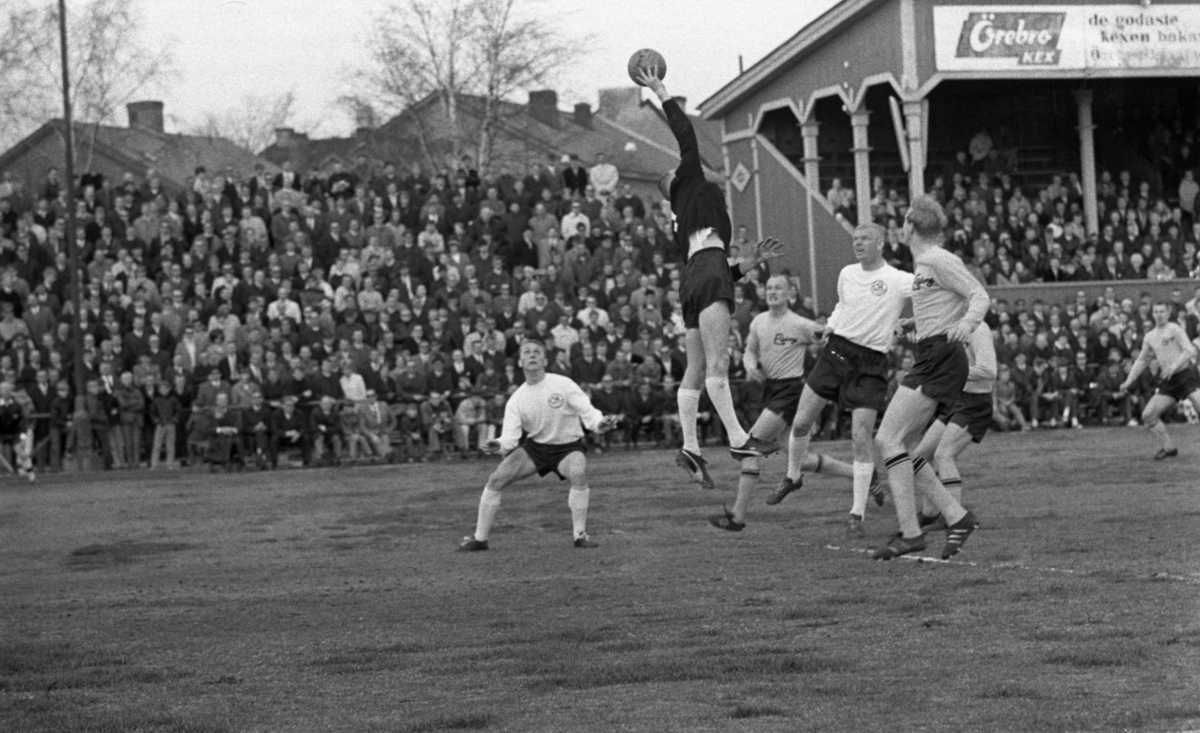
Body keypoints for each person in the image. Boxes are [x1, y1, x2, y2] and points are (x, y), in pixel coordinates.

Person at [633, 64, 783, 488]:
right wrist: (662, 91)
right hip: (709, 269)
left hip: (694, 276)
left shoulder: (681, 219)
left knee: (696, 368)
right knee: (718, 363)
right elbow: (686, 135)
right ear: (675, 181)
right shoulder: (689, 182)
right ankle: (738, 439)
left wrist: (750, 263)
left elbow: (713, 269)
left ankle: (690, 447)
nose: (682, 165)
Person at [708, 275, 884, 533]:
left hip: (791, 392)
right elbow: (750, 350)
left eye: (778, 288)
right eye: (769, 287)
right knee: (803, 461)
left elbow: (829, 336)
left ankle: (738, 516)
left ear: (790, 292)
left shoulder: (799, 323)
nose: (772, 292)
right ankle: (865, 476)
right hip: (772, 391)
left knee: (750, 447)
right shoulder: (758, 321)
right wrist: (750, 365)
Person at [767, 224, 910, 538]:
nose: (857, 243)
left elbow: (932, 293)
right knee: (800, 422)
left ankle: (856, 514)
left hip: (871, 362)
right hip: (836, 351)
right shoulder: (847, 273)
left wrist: (911, 321)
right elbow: (842, 307)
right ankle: (793, 476)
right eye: (855, 239)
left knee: (860, 438)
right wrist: (830, 325)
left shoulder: (899, 279)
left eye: (864, 239)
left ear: (881, 243)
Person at [873, 195, 988, 561]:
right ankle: (956, 517)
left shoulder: (938, 259)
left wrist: (966, 324)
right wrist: (914, 323)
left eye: (903, 221)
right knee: (905, 449)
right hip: (932, 353)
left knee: (887, 438)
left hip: (941, 356)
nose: (899, 227)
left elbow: (979, 295)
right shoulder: (926, 263)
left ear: (911, 226)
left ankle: (911, 533)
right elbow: (942, 303)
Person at [458, 338, 619, 551]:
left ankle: (580, 536)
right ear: (520, 362)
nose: (532, 354)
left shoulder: (563, 384)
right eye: (527, 352)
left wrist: (600, 423)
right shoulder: (517, 399)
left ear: (544, 361)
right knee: (496, 479)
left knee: (578, 473)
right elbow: (510, 437)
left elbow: (588, 412)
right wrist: (498, 444)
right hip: (535, 448)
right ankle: (480, 539)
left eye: (537, 352)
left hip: (568, 447)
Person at [909, 322, 997, 530]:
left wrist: (951, 373)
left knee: (944, 455)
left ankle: (956, 517)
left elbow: (989, 370)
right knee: (919, 457)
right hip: (956, 400)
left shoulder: (978, 328)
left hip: (975, 403)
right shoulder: (949, 323)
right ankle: (930, 513)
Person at [1118, 302, 1200, 460]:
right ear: (1152, 314)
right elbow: (1142, 360)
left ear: (1168, 314)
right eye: (1156, 311)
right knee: (1148, 416)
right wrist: (1128, 381)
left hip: (1186, 375)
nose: (1159, 314)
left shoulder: (1174, 328)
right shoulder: (1150, 336)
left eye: (1162, 311)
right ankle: (1169, 448)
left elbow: (1189, 350)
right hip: (1169, 380)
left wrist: (1173, 366)